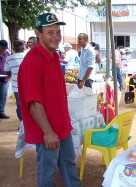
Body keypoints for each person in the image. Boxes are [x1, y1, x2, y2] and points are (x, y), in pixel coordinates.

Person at [17, 13, 82, 187]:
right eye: (50, 32)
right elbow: (33, 102)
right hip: (47, 131)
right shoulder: (32, 62)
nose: (56, 37)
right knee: (47, 172)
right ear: (38, 34)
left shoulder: (53, 56)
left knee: (69, 167)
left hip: (62, 127)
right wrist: (47, 132)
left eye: (58, 32)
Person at [4, 40, 26, 121]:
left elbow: (6, 71)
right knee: (31, 104)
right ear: (24, 48)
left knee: (20, 106)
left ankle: (22, 123)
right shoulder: (28, 56)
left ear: (13, 49)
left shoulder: (9, 58)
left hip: (17, 87)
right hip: (30, 86)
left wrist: (13, 73)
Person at [0, 39, 10, 119]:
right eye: (2, 47)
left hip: (5, 78)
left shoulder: (7, 53)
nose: (4, 49)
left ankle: (1, 112)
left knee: (3, 96)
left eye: (5, 48)